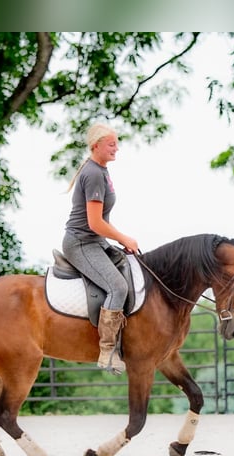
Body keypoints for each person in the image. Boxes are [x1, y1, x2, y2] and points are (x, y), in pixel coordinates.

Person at [62, 123, 139, 375]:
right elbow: (95, 223)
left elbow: (101, 220)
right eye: (111, 144)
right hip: (82, 243)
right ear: (96, 146)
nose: (116, 148)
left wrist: (117, 239)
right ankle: (107, 351)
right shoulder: (94, 173)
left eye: (116, 143)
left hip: (95, 241)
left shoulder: (102, 170)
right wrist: (124, 237)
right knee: (118, 287)